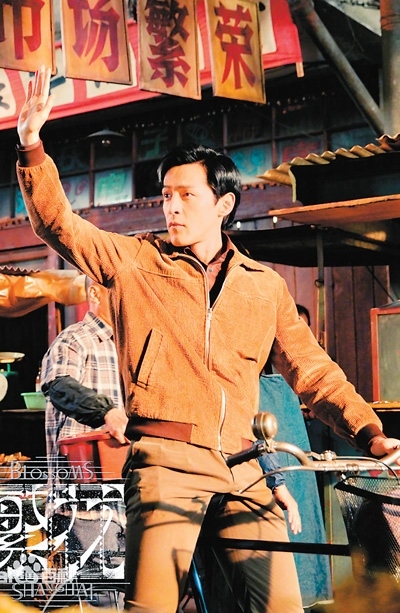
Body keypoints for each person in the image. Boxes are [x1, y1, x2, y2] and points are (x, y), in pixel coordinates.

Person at [16, 67, 400, 613]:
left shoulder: (262, 286)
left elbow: (313, 371)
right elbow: (59, 225)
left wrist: (369, 432)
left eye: (186, 195)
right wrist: (32, 147)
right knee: (150, 606)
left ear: (223, 205)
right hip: (166, 460)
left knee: (282, 606)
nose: (171, 207)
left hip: (245, 465)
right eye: (166, 195)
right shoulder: (135, 261)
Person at [41, 275, 128, 605]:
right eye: (119, 293)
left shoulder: (131, 345)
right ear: (94, 293)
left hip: (131, 489)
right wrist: (106, 412)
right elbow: (59, 386)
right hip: (86, 496)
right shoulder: (74, 339)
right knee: (105, 594)